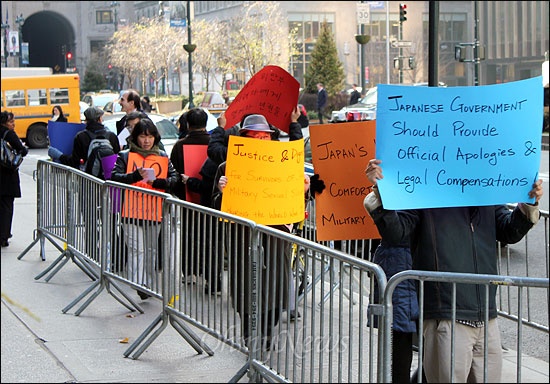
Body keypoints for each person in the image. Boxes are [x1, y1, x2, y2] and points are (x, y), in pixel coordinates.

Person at [363, 158, 544, 383]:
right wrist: (382, 197)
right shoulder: (424, 188)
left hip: (485, 314)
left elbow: (509, 231)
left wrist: (528, 203)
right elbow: (397, 234)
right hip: (445, 314)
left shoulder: (483, 189)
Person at [110, 118, 179, 300]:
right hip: (130, 212)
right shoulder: (125, 156)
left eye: (150, 137)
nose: (146, 141)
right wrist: (133, 176)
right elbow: (114, 177)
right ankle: (139, 283)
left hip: (154, 212)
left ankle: (146, 282)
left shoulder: (163, 156)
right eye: (142, 136)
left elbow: (174, 178)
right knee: (136, 248)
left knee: (150, 250)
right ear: (136, 137)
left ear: (155, 138)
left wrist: (159, 182)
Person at [169, 108, 222, 294]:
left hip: (188, 200)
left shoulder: (179, 146)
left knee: (190, 236)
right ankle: (212, 278)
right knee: (212, 240)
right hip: (213, 201)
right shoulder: (214, 146)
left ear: (188, 124)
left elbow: (173, 174)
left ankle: (190, 272)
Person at [48, 106, 121, 170]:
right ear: (100, 119)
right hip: (108, 179)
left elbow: (74, 162)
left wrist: (59, 155)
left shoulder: (81, 136)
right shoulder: (111, 136)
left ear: (86, 120)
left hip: (88, 178)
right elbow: (118, 158)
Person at [0, 111, 29, 247]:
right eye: (11, 122)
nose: (13, 124)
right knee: (6, 207)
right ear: (4, 123)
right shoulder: (9, 134)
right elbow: (22, 150)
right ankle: (4, 236)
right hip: (7, 175)